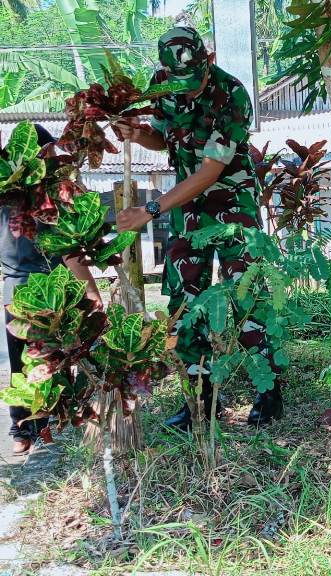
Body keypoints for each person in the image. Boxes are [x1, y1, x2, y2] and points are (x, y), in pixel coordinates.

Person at [115, 27, 281, 429]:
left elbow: (211, 170)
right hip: (186, 208)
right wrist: (139, 134)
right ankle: (200, 400)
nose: (186, 91)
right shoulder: (162, 84)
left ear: (208, 59)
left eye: (194, 81)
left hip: (232, 203)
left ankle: (269, 392)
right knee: (184, 304)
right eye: (178, 83)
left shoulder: (232, 94)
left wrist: (150, 209)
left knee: (247, 295)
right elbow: (165, 139)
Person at [3, 124, 102, 455]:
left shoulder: (22, 193)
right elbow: (70, 249)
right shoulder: (42, 196)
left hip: (29, 289)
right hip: (41, 290)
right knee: (47, 360)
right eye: (49, 152)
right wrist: (91, 293)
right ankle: (33, 426)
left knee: (34, 362)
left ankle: (32, 428)